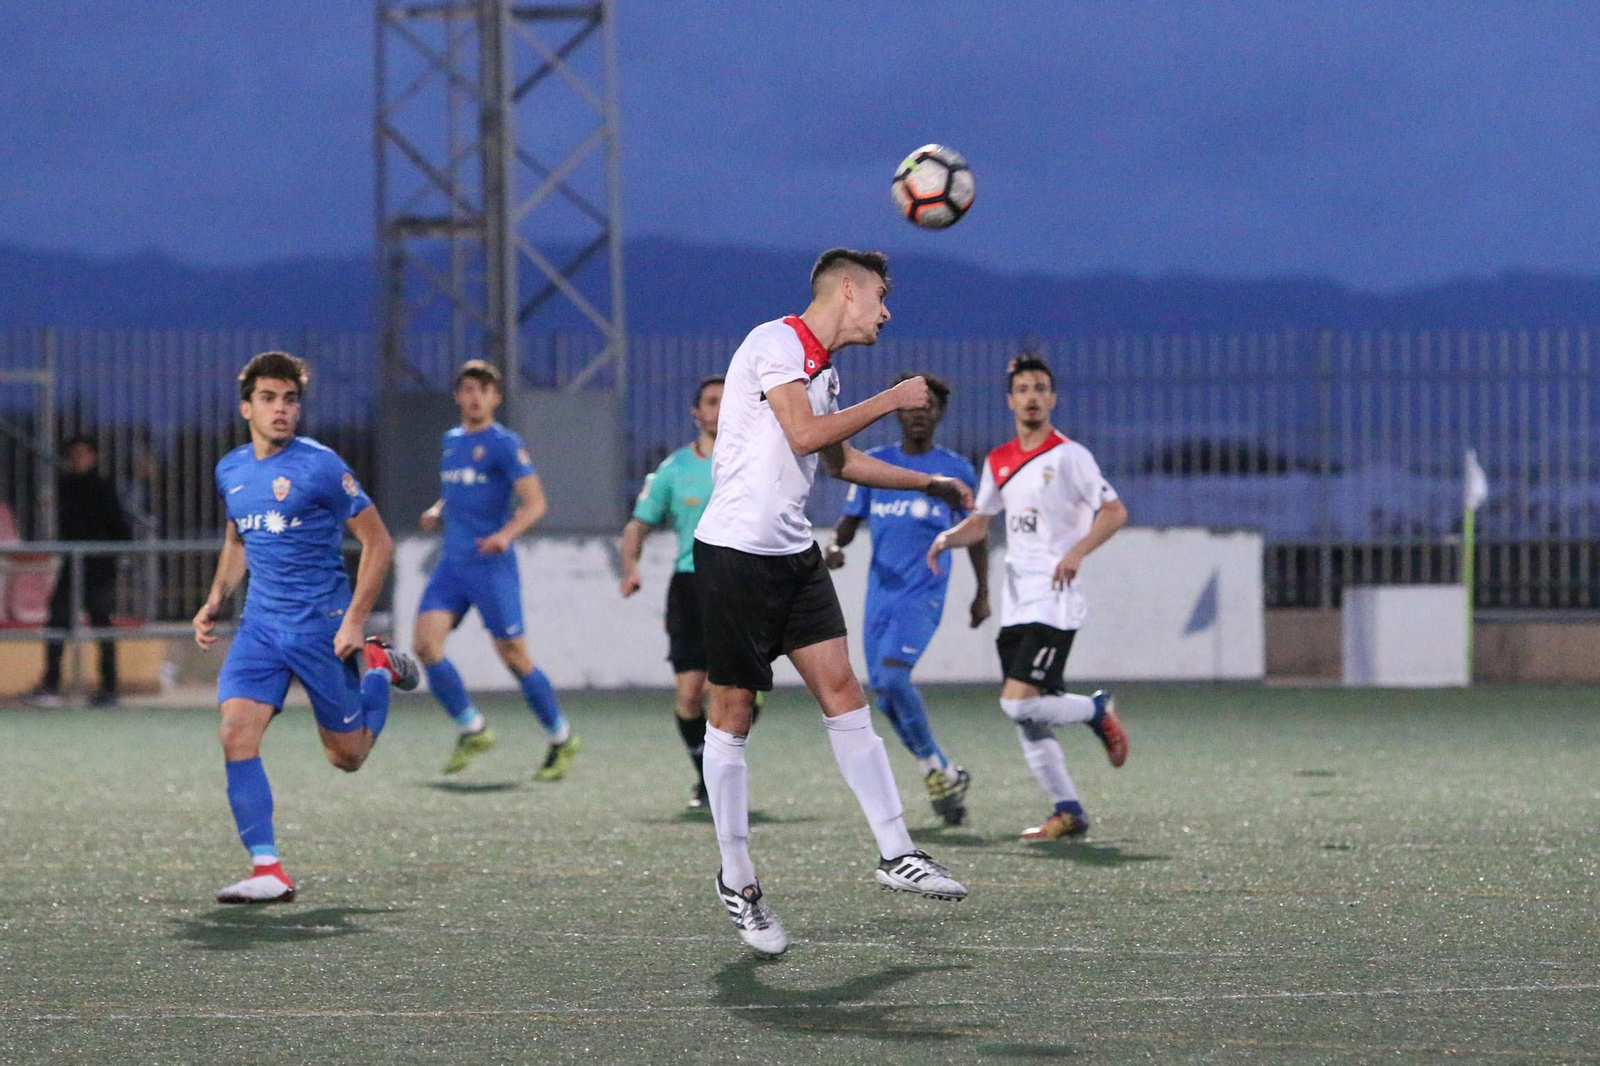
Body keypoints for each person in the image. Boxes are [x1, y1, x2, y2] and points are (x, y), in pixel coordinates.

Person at [693, 247, 973, 956]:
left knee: (845, 692)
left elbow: (840, 462)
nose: (885, 311)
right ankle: (738, 879)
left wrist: (928, 484)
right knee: (731, 714)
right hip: (734, 556)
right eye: (879, 296)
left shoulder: (827, 368)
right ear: (847, 290)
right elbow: (805, 433)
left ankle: (896, 851)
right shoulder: (776, 341)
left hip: (794, 557)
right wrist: (891, 399)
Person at [192, 351, 419, 904]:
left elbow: (378, 542)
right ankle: (268, 869)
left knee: (349, 757)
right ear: (247, 407)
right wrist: (216, 596)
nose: (282, 410)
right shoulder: (232, 469)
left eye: (291, 400)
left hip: (322, 627)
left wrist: (356, 621)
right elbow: (238, 539)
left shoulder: (320, 466)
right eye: (269, 399)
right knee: (234, 733)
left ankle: (379, 670)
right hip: (262, 629)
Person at [928, 354, 1130, 841]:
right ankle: (1068, 811)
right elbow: (982, 521)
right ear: (1010, 400)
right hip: (1017, 601)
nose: (1033, 396)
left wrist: (1078, 551)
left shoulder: (1069, 455)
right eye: (1024, 389)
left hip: (1053, 600)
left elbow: (1115, 511)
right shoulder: (997, 460)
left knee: (1018, 705)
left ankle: (1096, 712)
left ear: (1053, 399)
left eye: (1041, 388)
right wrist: (945, 538)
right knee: (1031, 716)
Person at [824, 372, 988, 825]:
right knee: (882, 693)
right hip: (880, 596)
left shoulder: (955, 470)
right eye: (912, 406)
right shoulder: (876, 464)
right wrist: (836, 547)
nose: (919, 414)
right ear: (897, 411)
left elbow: (975, 534)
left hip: (923, 594)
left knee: (895, 681)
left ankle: (934, 764)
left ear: (939, 413)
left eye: (928, 406)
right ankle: (940, 772)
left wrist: (982, 592)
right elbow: (850, 519)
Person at [413, 360, 578, 780]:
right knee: (425, 647)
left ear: (495, 398)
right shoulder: (450, 441)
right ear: (458, 395)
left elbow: (536, 503)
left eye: (484, 390)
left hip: (491, 567)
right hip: (453, 565)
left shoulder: (505, 444)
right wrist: (437, 509)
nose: (475, 397)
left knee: (514, 657)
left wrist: (505, 534)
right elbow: (458, 491)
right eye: (468, 389)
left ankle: (561, 737)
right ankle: (473, 728)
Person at [618, 375, 725, 808]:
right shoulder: (674, 469)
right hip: (689, 586)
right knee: (688, 695)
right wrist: (630, 567)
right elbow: (637, 524)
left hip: (738, 585)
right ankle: (704, 774)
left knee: (725, 692)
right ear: (695, 413)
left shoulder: (749, 460)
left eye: (726, 400)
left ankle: (722, 772)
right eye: (711, 402)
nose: (719, 408)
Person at [25, 436, 133, 708]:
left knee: (102, 624)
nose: (77, 459)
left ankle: (109, 689)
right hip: (71, 566)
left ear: (94, 457)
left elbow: (120, 529)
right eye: (74, 454)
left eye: (83, 454)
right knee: (57, 620)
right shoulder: (66, 487)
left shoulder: (103, 488)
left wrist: (111, 558)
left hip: (98, 568)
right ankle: (51, 685)